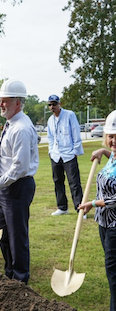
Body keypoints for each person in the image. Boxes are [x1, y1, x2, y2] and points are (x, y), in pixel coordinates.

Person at [0, 80, 39, 284]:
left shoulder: (21, 128)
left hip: (17, 187)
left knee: (16, 237)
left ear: (17, 103)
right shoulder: (13, 124)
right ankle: (9, 273)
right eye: (0, 101)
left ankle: (20, 278)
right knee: (4, 235)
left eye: (4, 101)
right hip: (8, 187)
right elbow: (9, 145)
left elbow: (20, 167)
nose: (1, 105)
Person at [79, 110, 116, 311]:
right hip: (104, 223)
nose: (113, 141)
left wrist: (92, 204)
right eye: (111, 136)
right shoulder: (114, 156)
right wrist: (104, 153)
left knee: (113, 271)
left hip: (114, 225)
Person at [47, 94, 84, 216]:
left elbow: (76, 133)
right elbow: (50, 138)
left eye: (54, 104)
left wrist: (75, 151)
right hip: (56, 155)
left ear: (59, 104)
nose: (52, 107)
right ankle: (62, 207)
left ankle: (80, 209)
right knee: (58, 181)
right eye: (50, 105)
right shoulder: (50, 120)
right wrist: (51, 151)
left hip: (69, 154)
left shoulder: (69, 115)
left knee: (74, 182)